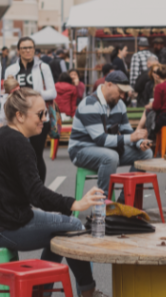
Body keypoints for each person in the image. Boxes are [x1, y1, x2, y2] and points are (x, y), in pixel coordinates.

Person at [0, 87, 107, 297]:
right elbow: (36, 194)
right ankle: (88, 291)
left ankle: (40, 290)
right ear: (20, 116)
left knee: (60, 228)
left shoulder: (4, 134)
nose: (45, 119)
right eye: (40, 114)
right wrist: (74, 204)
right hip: (10, 225)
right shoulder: (19, 144)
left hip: (8, 218)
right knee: (74, 225)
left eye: (46, 113)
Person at [68, 70, 153, 202]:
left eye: (124, 92)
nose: (123, 96)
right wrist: (132, 138)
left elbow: (126, 131)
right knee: (110, 156)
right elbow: (101, 139)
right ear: (108, 85)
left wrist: (139, 142)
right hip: (81, 150)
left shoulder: (120, 105)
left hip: (107, 150)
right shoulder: (89, 104)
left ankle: (124, 201)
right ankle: (103, 204)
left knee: (146, 154)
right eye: (120, 91)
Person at [5, 36, 57, 184]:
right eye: (24, 48)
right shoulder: (11, 69)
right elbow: (6, 92)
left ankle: (38, 190)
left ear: (34, 49)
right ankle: (22, 189)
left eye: (30, 48)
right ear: (18, 50)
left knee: (36, 154)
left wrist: (31, 93)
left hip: (38, 117)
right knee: (19, 154)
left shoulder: (43, 67)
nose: (27, 51)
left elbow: (53, 93)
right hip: (17, 118)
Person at [137, 64, 166, 139]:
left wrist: (151, 105)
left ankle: (144, 138)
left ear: (157, 76)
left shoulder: (159, 87)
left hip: (165, 119)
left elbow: (156, 107)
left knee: (148, 113)